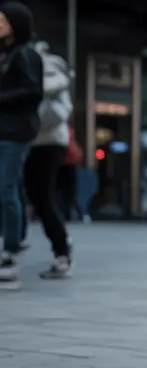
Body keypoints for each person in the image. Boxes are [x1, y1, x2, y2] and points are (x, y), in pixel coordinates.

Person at [0, 2, 43, 289]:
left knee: (7, 188)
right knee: (9, 186)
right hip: (7, 130)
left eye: (3, 20)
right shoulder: (8, 53)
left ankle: (11, 252)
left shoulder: (25, 54)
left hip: (16, 132)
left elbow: (33, 91)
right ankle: (16, 241)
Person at [25, 42, 74, 278]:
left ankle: (62, 250)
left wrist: (27, 85)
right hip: (23, 137)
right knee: (29, 195)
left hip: (49, 139)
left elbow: (58, 82)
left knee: (42, 196)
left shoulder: (45, 61)